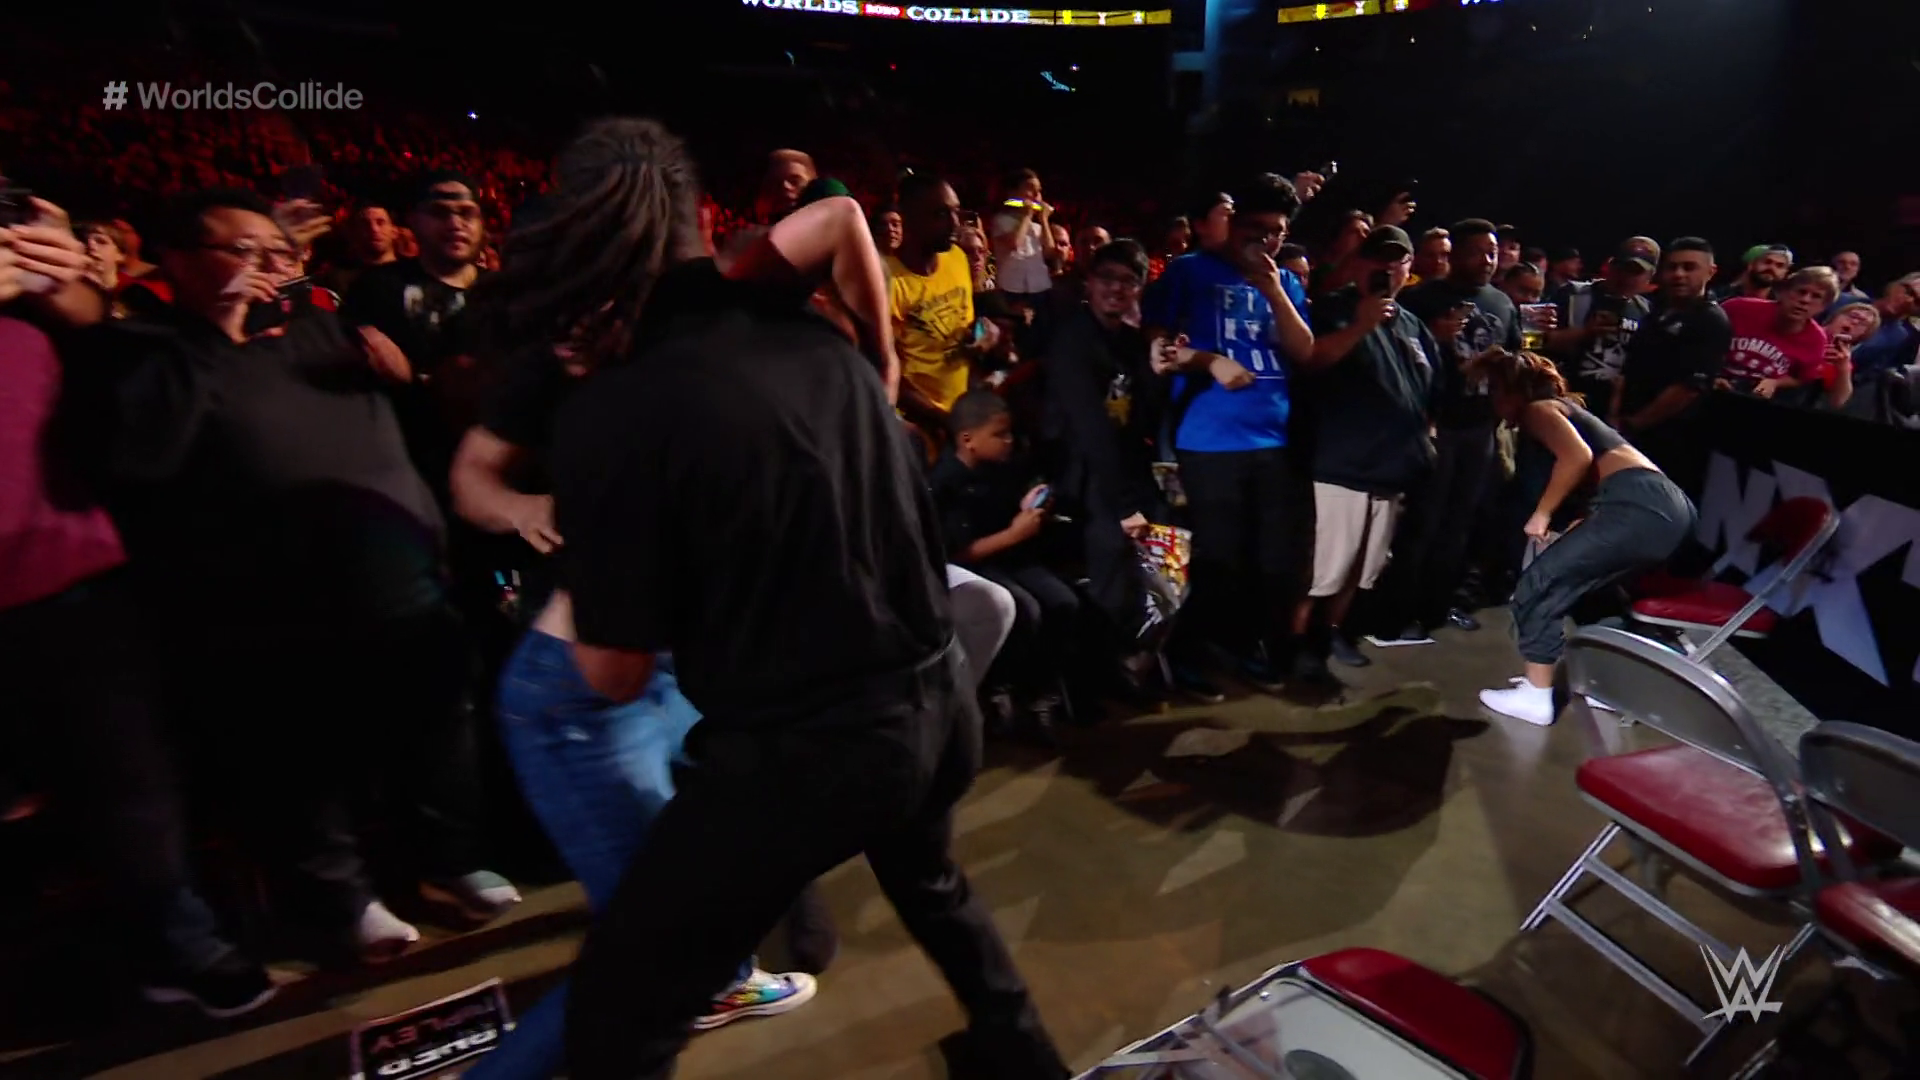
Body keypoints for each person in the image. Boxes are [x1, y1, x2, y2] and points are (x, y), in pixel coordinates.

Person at [518, 117, 1064, 1080]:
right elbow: (840, 225)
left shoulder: (615, 409)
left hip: (809, 748)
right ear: (699, 225)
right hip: (939, 701)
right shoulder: (818, 336)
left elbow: (614, 674)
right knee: (930, 883)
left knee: (622, 1003)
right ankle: (1020, 1058)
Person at [453, 162, 921, 1080]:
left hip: (689, 670)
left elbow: (838, 218)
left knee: (705, 901)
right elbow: (474, 474)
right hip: (589, 697)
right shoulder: (562, 362)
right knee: (645, 957)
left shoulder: (713, 303)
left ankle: (725, 973)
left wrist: (884, 368)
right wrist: (522, 507)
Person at [82, 188, 516, 961]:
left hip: (400, 576)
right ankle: (340, 898)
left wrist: (401, 375)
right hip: (267, 597)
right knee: (297, 754)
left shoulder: (317, 325)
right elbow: (141, 459)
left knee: (439, 723)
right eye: (241, 250)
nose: (265, 266)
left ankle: (449, 863)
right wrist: (221, 330)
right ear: (175, 260)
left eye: (277, 252)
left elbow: (392, 403)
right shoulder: (143, 348)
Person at [3, 197, 277, 1017]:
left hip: (72, 574)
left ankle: (178, 944)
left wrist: (74, 292)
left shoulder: (38, 306)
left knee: (132, 780)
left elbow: (126, 371)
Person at [1144, 173, 1317, 687]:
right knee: (1219, 559)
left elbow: (1304, 351)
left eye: (1276, 232)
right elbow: (1157, 352)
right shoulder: (1190, 271)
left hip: (1275, 438)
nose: (1265, 241)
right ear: (1234, 222)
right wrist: (1209, 360)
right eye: (1255, 229)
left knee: (1271, 562)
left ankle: (1241, 649)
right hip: (1209, 438)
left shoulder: (1284, 282)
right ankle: (1191, 655)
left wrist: (1274, 290)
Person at [1472, 350, 1695, 727]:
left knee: (1541, 582)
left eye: (1492, 390)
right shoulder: (1563, 412)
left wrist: (1542, 513)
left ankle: (1536, 696)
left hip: (1639, 506)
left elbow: (1577, 457)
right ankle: (1612, 683)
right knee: (1590, 592)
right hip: (1662, 509)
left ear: (1512, 391)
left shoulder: (1539, 410)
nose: (1491, 401)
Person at [1293, 225, 1439, 669]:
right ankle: (1297, 645)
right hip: (1343, 465)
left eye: (1398, 260)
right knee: (1324, 570)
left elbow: (1428, 388)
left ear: (1409, 268)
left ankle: (1332, 634)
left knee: (1363, 569)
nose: (1388, 268)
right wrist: (1362, 324)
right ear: (1360, 264)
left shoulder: (1412, 324)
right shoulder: (1333, 309)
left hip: (1393, 469)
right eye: (1379, 259)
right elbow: (1311, 361)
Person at [1390, 219, 1526, 639]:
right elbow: (1394, 358)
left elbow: (1516, 355)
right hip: (1434, 424)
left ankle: (1438, 606)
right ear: (1456, 255)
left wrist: (1507, 371)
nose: (1487, 261)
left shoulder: (1501, 302)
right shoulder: (1420, 298)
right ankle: (1399, 612)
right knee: (1423, 521)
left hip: (1480, 426)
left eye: (1492, 252)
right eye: (1477, 252)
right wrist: (1433, 338)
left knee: (1461, 521)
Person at [932, 391, 1078, 732]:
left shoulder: (1002, 469)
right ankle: (999, 691)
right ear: (967, 439)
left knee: (1063, 602)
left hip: (1012, 559)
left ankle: (1040, 693)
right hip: (974, 568)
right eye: (999, 434)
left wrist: (1030, 506)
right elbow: (955, 553)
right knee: (1025, 609)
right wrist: (1014, 534)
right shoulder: (944, 483)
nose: (1009, 441)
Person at [1615, 238, 1734, 493]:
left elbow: (1687, 389)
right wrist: (1615, 418)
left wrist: (1633, 425)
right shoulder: (1657, 310)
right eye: (1672, 267)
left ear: (1710, 272)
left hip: (1672, 441)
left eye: (1689, 267)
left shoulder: (1710, 320)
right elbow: (1630, 366)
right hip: (1630, 430)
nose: (1679, 274)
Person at [1714, 266, 1835, 399]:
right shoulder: (1737, 308)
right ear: (1782, 292)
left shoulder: (1816, 340)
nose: (1805, 300)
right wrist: (1711, 376)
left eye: (1816, 296)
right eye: (1801, 292)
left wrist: (1775, 382)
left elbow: (1801, 378)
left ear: (1823, 307)